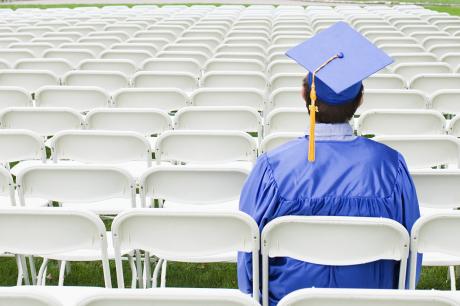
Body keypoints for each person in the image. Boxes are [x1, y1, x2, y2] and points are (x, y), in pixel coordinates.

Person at [237, 22, 421, 306]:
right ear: (360, 100)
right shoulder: (391, 167)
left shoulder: (272, 166)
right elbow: (411, 255)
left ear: (304, 97)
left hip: (290, 300)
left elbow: (249, 254)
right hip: (370, 300)